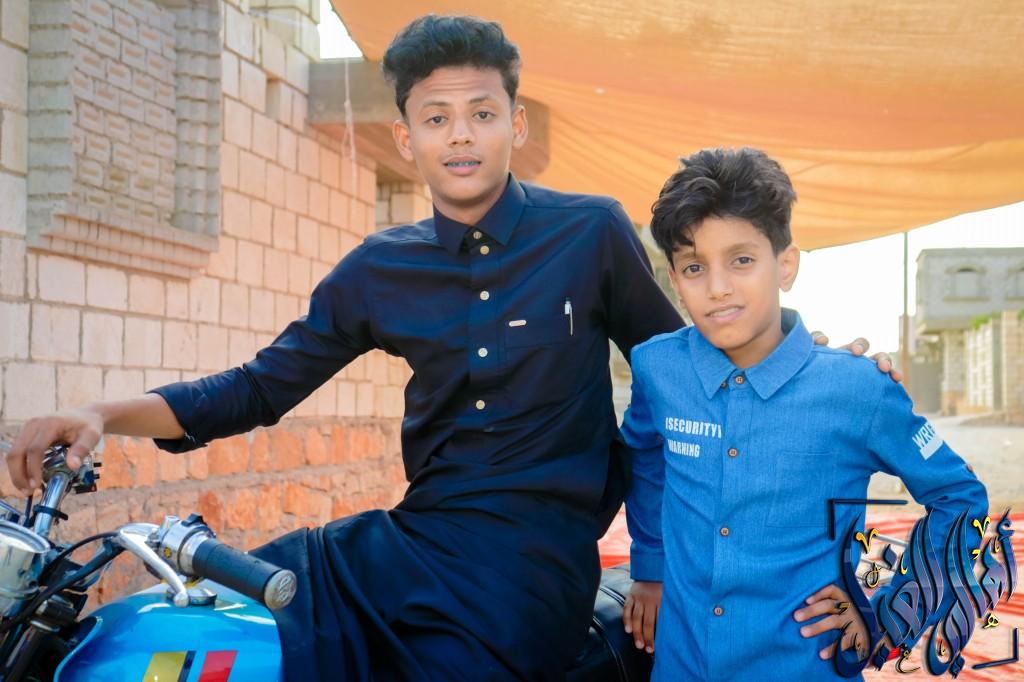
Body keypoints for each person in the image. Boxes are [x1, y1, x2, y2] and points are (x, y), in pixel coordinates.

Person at [5, 16, 895, 682]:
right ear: (407, 138)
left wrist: (818, 369)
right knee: (216, 616)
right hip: (414, 541)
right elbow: (257, 388)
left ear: (515, 124)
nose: (460, 134)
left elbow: (694, 369)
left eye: (481, 113)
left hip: (530, 571)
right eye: (436, 118)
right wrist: (98, 413)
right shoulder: (377, 269)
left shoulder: (590, 233)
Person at [619, 147, 988, 680]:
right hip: (682, 665)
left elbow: (960, 498)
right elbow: (644, 457)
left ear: (785, 265)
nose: (718, 287)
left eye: (741, 260)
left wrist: (888, 610)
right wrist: (651, 566)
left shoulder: (858, 388)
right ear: (674, 280)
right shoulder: (658, 368)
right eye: (695, 267)